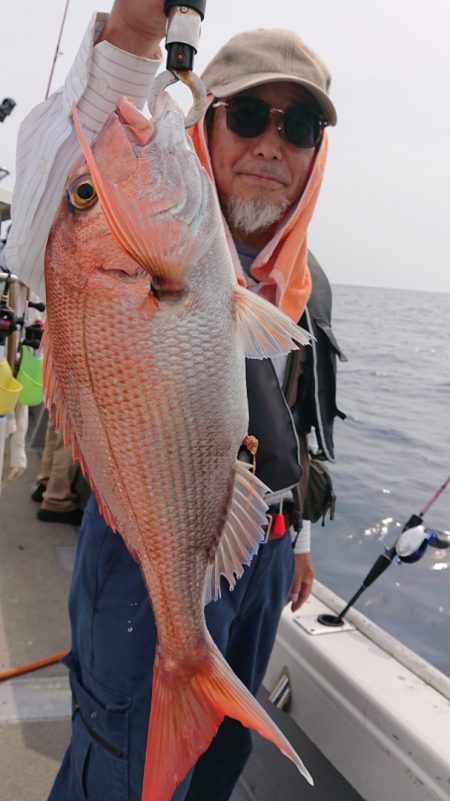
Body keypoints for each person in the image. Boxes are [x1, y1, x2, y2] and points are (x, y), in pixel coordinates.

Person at [5, 2, 345, 799]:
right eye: (249, 115)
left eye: (298, 127)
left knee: (219, 762)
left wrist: (296, 542)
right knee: (121, 771)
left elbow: (304, 420)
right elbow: (57, 194)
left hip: (259, 553)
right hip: (146, 549)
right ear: (204, 122)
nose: (271, 143)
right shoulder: (134, 243)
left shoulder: (309, 282)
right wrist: (131, 43)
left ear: (316, 154)